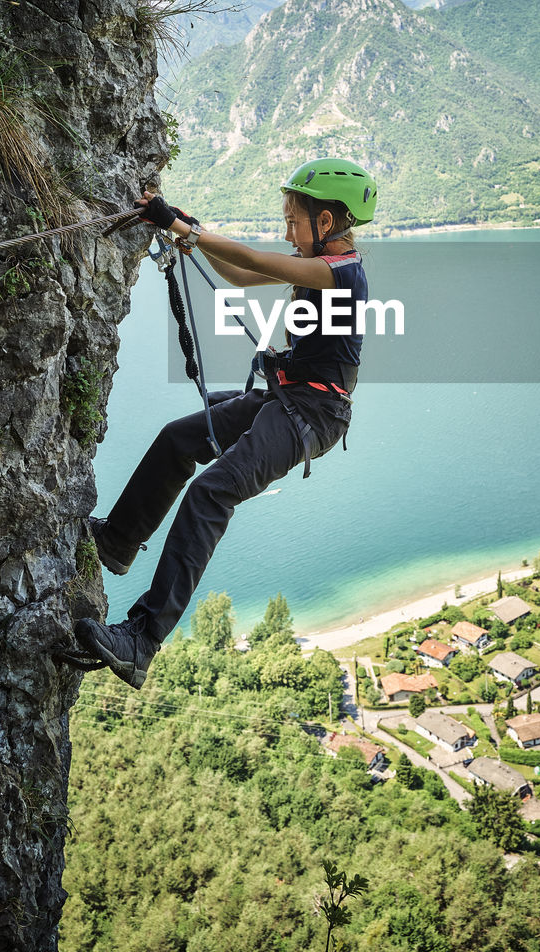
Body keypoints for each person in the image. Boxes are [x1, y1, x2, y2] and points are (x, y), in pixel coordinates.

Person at [73, 157, 378, 688]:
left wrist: (182, 229)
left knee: (211, 493)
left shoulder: (339, 272)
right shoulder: (311, 261)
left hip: (312, 416)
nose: (287, 231)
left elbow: (252, 257)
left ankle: (142, 641)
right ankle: (119, 541)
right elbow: (239, 272)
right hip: (288, 400)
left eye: (293, 220)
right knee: (179, 438)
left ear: (325, 222)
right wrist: (191, 232)